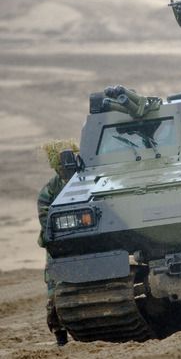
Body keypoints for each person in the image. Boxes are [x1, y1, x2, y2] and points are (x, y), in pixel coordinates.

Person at [37, 140, 79, 346]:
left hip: (86, 242)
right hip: (60, 246)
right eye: (62, 167)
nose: (65, 170)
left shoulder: (85, 180)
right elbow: (46, 220)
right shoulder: (51, 189)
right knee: (55, 294)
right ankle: (60, 334)